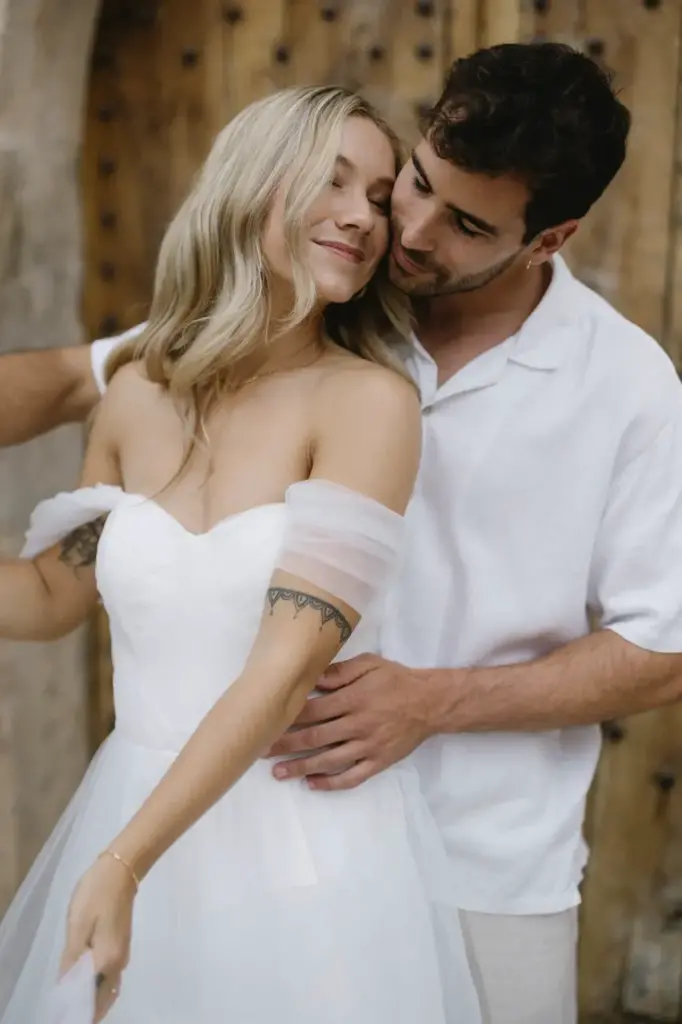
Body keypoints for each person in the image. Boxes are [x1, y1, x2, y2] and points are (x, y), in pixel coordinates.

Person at [3, 41, 682, 1023]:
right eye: (410, 182)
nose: (398, 225)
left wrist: (434, 701)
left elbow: (664, 646)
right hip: (215, 816)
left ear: (547, 239)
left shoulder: (626, 389)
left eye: (461, 222)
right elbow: (77, 384)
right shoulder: (310, 303)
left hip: (485, 853)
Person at [0, 85, 483, 1024]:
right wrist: (121, 855)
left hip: (302, 845)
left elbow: (284, 665)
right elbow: (51, 596)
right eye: (330, 181)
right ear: (249, 186)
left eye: (380, 197)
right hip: (128, 808)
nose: (361, 216)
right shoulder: (137, 394)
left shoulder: (367, 405)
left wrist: (123, 863)